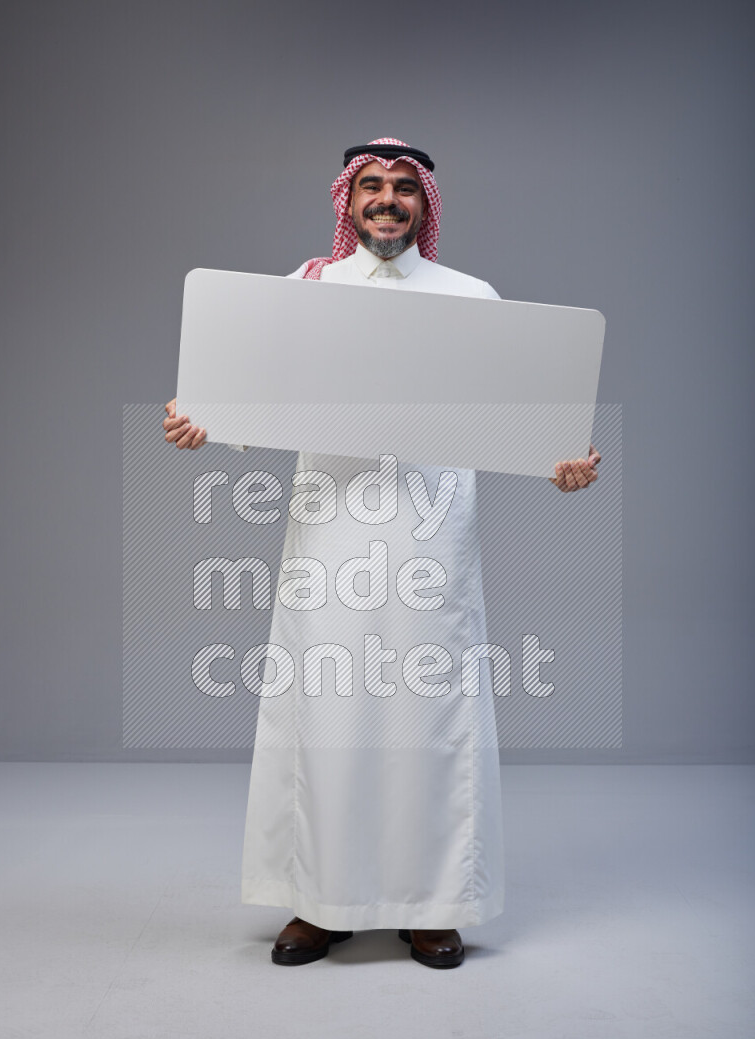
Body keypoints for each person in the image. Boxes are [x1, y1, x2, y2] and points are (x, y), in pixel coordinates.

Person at [164, 138, 600, 969]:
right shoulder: (307, 289)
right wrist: (202, 419)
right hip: (329, 529)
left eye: (403, 187)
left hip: (431, 536)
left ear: (424, 204)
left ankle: (434, 905)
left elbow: (523, 418)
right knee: (326, 712)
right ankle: (320, 901)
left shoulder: (472, 297)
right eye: (371, 185)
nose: (387, 199)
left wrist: (562, 461)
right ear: (348, 199)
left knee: (427, 718)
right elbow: (250, 396)